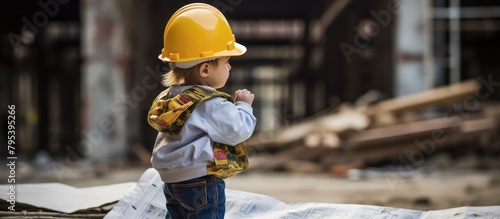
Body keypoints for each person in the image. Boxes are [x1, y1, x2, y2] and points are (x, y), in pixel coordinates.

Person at [147, 3, 256, 219]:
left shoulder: (171, 97)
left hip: (172, 181)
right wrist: (243, 106)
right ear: (205, 69)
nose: (230, 67)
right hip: (201, 182)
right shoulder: (209, 103)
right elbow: (237, 130)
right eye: (226, 61)